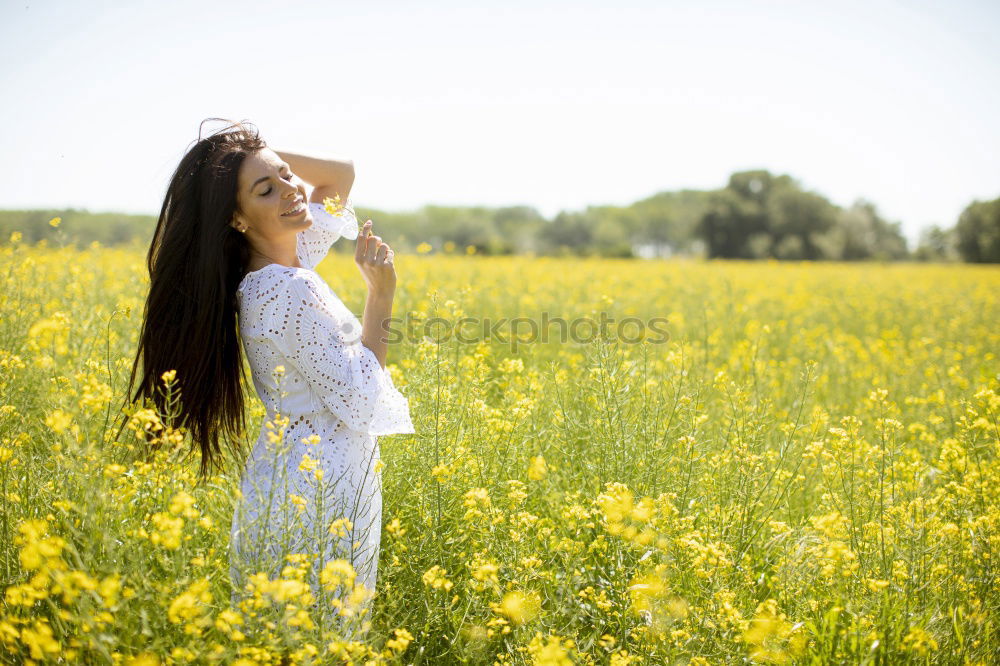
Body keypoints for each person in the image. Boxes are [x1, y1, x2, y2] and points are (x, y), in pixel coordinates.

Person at [116, 118, 415, 641]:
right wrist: (381, 296)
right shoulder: (286, 288)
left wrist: (247, 154)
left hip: (302, 473)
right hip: (321, 487)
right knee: (320, 639)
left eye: (285, 175)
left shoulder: (282, 260)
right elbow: (363, 400)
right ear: (236, 217)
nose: (291, 190)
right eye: (266, 189)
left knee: (290, 638)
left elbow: (339, 175)